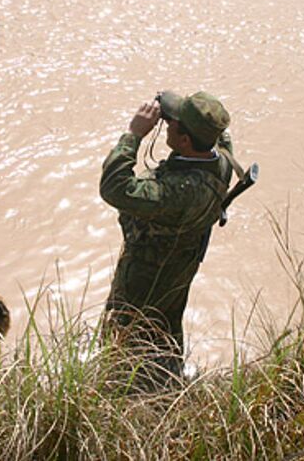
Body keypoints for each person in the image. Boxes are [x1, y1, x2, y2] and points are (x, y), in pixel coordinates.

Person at [100, 91, 235, 385]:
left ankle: (124, 392)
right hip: (180, 269)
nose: (167, 122)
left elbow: (113, 187)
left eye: (173, 122)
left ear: (185, 140)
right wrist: (181, 109)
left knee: (126, 336)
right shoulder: (222, 161)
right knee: (167, 329)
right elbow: (220, 134)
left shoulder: (177, 192)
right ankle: (169, 382)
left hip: (145, 279)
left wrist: (134, 135)